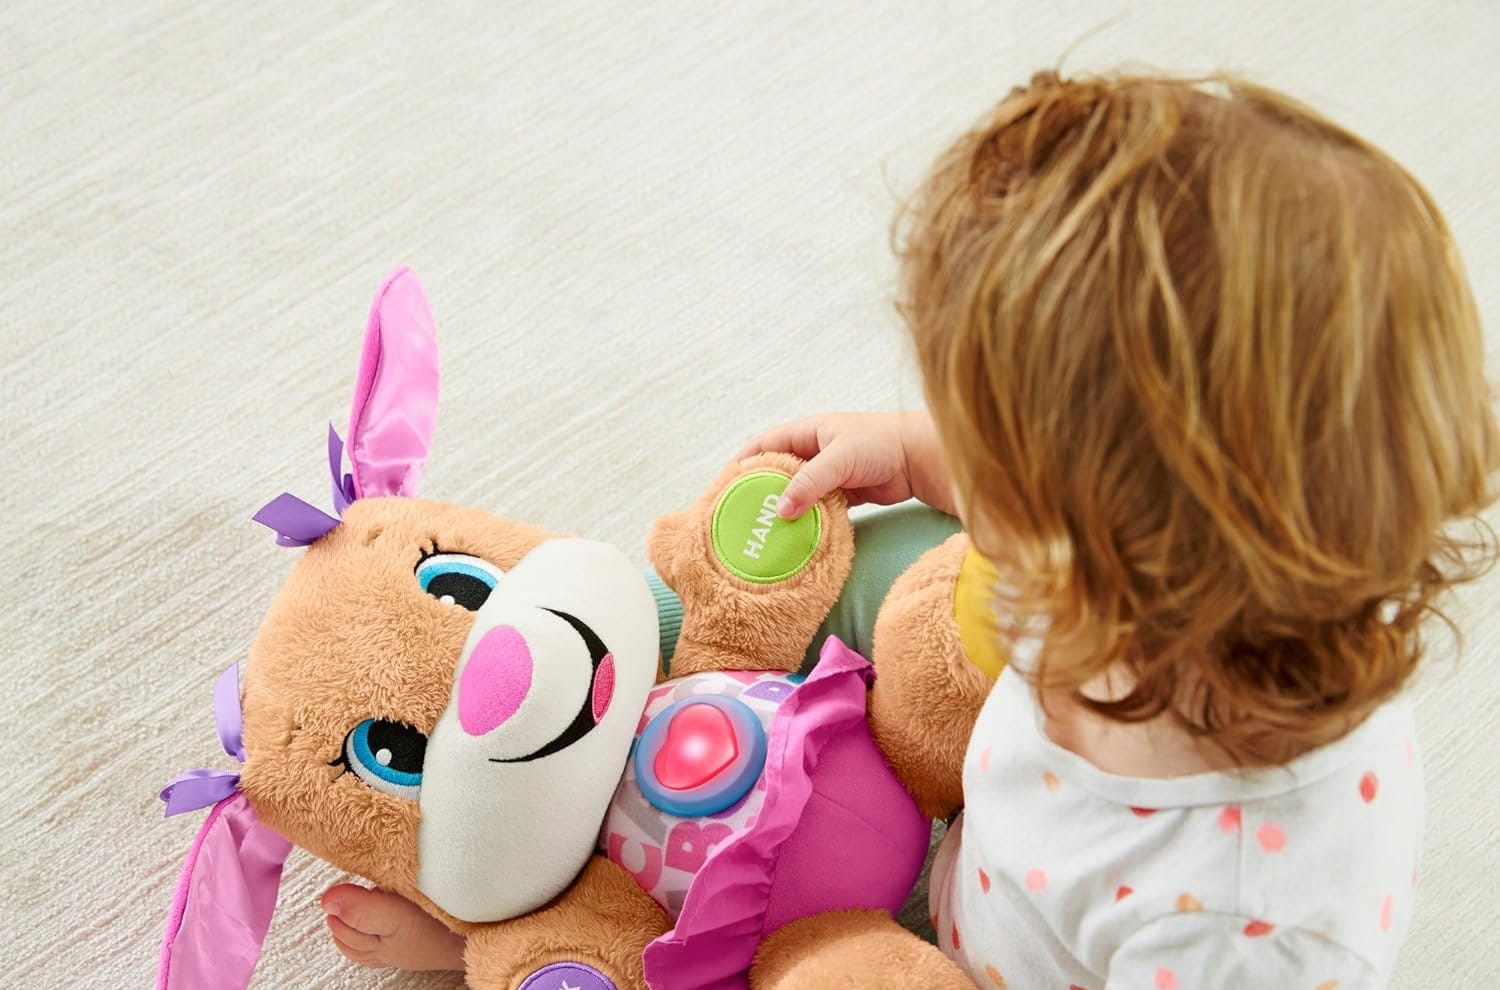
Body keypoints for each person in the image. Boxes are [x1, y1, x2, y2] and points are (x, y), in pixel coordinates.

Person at [320, 71, 1498, 987]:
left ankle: (527, 935)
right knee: (745, 616)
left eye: (987, 448)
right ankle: (546, 793)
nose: (959, 462)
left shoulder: (1250, 928)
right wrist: (921, 453)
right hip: (971, 826)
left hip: (944, 964)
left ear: (1103, 537)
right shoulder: (1155, 582)